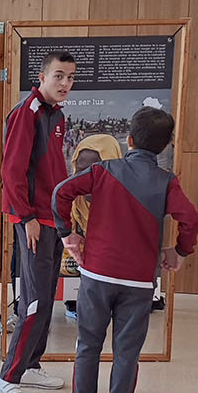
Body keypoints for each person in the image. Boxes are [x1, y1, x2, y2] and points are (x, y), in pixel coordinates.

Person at [52, 107, 198, 393]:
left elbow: (61, 192)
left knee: (87, 346)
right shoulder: (166, 182)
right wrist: (179, 250)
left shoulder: (103, 171)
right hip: (137, 284)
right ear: (165, 148)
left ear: (129, 140)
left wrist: (68, 233)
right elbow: (192, 220)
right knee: (126, 353)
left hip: (96, 276)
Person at [0, 51, 77, 393]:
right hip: (33, 222)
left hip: (51, 218)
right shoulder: (26, 114)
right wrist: (26, 218)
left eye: (70, 78)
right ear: (42, 77)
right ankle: (6, 377)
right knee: (36, 301)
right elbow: (10, 172)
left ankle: (30, 365)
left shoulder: (54, 115)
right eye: (58, 76)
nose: (65, 84)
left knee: (45, 297)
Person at [60, 134, 125, 318]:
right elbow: (66, 255)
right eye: (81, 169)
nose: (86, 178)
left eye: (94, 170)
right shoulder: (72, 200)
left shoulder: (127, 200)